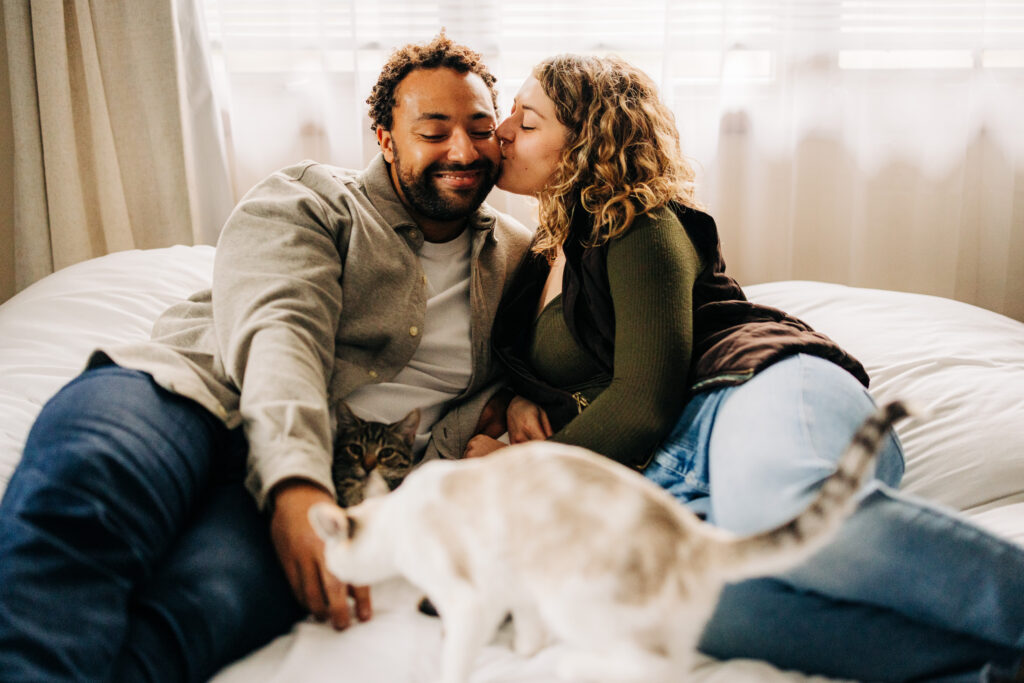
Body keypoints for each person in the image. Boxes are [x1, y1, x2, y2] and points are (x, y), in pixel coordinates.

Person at [466, 54, 1024, 682]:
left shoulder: (637, 223)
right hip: (680, 471)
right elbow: (563, 371)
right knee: (662, 602)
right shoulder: (541, 257)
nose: (502, 130)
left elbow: (643, 402)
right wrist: (518, 400)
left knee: (786, 510)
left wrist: (518, 470)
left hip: (754, 386)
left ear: (589, 142)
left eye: (529, 119)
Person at [0, 33, 531, 682]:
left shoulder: (519, 257)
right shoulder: (313, 198)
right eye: (434, 129)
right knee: (82, 505)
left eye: (480, 128)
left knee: (200, 611)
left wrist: (518, 396)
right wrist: (296, 485)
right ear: (386, 138)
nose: (462, 149)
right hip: (185, 396)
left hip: (327, 476)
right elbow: (283, 331)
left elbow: (568, 352)